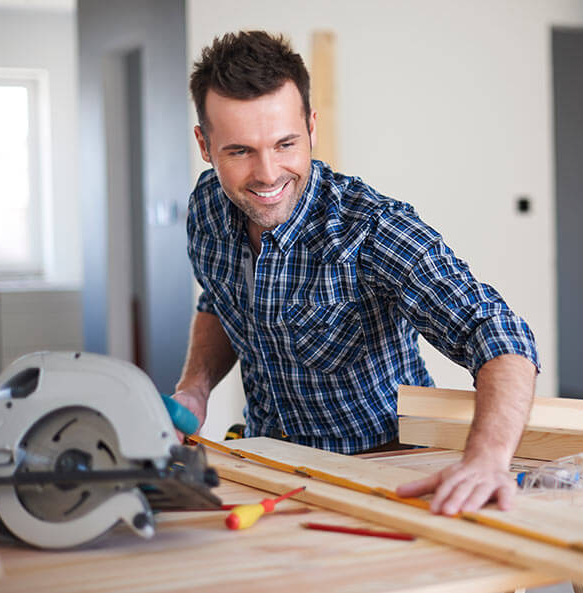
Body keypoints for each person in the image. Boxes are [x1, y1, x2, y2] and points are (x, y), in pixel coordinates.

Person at [172, 30, 539, 515]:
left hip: (383, 475)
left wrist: (487, 459)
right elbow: (219, 303)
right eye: (239, 151)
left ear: (312, 128)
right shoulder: (207, 208)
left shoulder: (370, 229)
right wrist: (195, 388)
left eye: (285, 144)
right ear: (205, 143)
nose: (267, 174)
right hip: (268, 466)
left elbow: (497, 332)